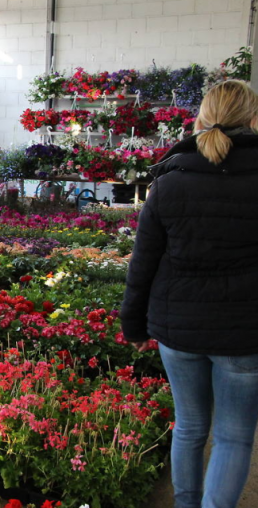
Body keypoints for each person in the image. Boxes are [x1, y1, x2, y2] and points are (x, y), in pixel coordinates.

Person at [121, 80, 258, 508]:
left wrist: (134, 326)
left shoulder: (170, 180)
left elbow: (143, 263)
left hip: (178, 329)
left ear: (201, 116)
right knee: (233, 437)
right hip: (244, 333)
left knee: (190, 427)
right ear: (253, 118)